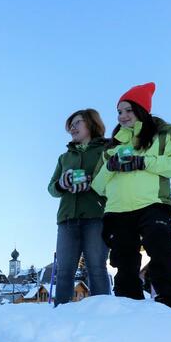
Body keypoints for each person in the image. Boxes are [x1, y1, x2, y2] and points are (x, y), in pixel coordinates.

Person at [91, 82, 171, 312]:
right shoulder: (112, 145)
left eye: (128, 110)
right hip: (118, 210)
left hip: (153, 204)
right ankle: (128, 305)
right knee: (123, 258)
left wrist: (145, 162)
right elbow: (98, 185)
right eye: (119, 111)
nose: (122, 116)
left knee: (160, 247)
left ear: (141, 109)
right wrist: (111, 166)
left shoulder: (165, 134)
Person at [47, 108, 112, 304]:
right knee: (65, 270)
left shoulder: (105, 151)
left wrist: (93, 182)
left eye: (77, 123)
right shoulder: (64, 157)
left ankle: (103, 314)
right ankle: (61, 314)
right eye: (70, 126)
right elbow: (52, 188)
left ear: (91, 124)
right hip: (67, 219)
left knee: (96, 267)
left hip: (96, 217)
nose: (72, 128)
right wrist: (62, 183)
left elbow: (113, 182)